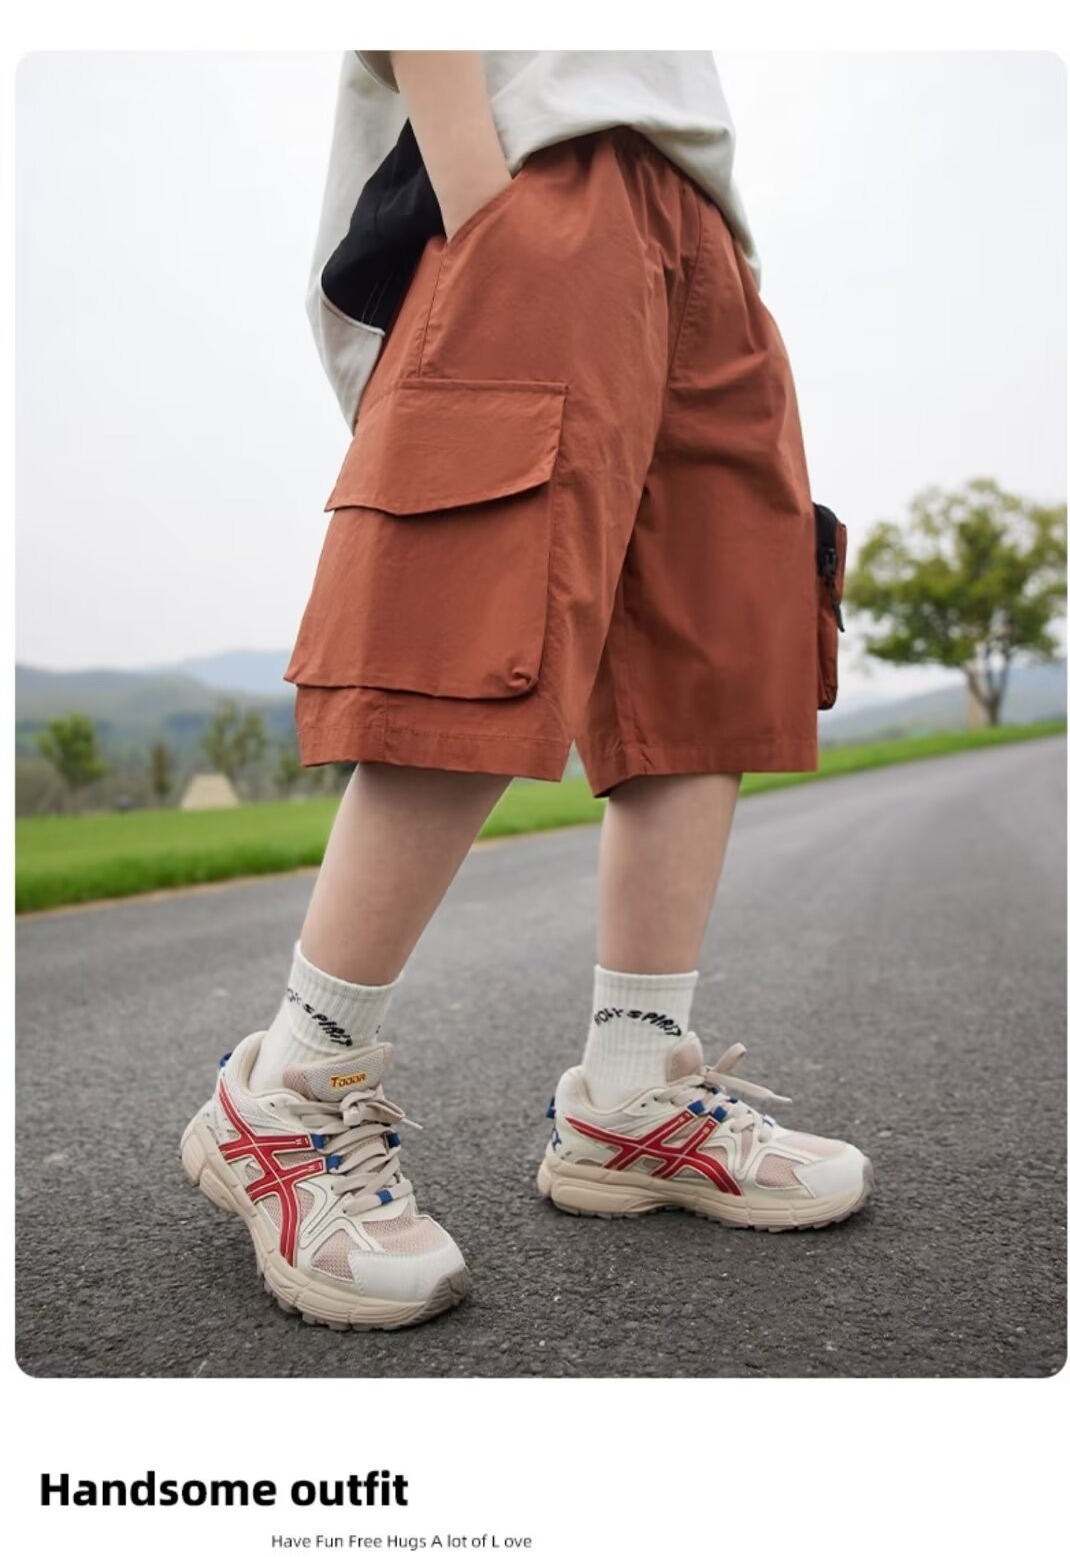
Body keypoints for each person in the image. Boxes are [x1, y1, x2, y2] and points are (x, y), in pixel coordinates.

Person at [181, 50, 872, 1332]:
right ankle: (290, 1088)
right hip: (538, 178)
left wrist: (710, 251)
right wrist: (487, 199)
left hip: (702, 226)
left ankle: (631, 1090)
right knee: (473, 623)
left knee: (709, 654)